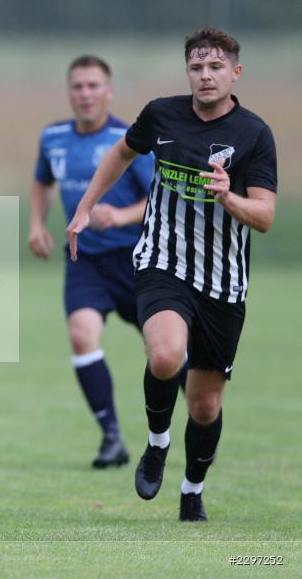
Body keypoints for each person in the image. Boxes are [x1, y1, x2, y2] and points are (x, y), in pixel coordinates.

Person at [67, 28, 277, 521]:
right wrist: (85, 207)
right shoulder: (161, 114)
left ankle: (191, 491)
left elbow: (265, 216)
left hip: (224, 281)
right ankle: (157, 444)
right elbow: (121, 152)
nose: (205, 76)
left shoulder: (254, 134)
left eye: (216, 68)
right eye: (197, 68)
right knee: (165, 356)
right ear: (188, 72)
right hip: (163, 262)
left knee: (204, 406)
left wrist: (229, 197)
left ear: (235, 72)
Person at [31, 55, 158, 469]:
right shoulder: (53, 137)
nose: (85, 94)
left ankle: (183, 423)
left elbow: (159, 197)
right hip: (84, 258)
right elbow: (43, 181)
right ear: (70, 92)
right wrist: (37, 224)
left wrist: (119, 216)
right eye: (77, 86)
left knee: (165, 352)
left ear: (109, 91)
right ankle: (112, 437)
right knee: (82, 337)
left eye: (93, 86)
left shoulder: (130, 139)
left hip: (137, 258)